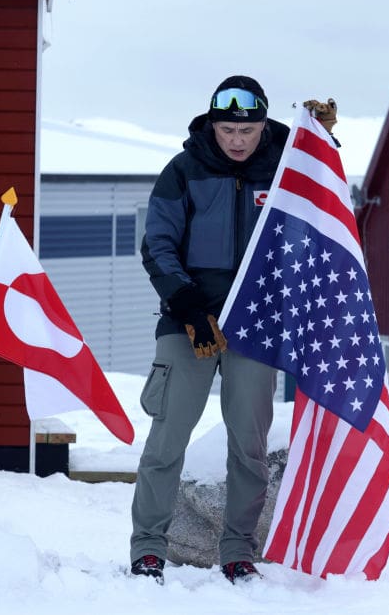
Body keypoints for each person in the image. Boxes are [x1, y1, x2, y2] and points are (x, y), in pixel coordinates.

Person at [129, 75, 289, 585]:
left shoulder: (287, 171)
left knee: (249, 445)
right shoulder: (183, 172)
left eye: (247, 130)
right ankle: (148, 548)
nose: (237, 140)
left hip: (255, 324)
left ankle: (238, 552)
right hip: (189, 321)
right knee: (167, 439)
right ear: (212, 126)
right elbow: (157, 243)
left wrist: (325, 145)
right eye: (226, 130)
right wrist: (188, 303)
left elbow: (316, 227)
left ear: (263, 126)